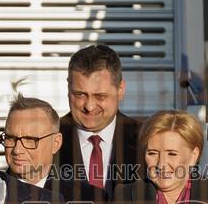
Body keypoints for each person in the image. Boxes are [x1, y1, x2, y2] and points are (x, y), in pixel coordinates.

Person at [55, 44, 143, 194]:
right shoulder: (44, 139)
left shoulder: (147, 139)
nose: (89, 106)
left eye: (100, 96)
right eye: (80, 95)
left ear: (120, 90)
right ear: (68, 88)